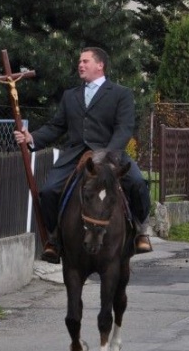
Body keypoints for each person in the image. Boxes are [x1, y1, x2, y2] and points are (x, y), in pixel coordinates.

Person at [14, 47, 152, 263]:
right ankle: (54, 239)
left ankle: (141, 230)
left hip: (110, 152)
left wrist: (108, 155)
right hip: (76, 155)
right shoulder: (71, 95)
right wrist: (32, 138)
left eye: (86, 61)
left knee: (137, 183)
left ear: (100, 65)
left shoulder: (120, 93)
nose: (80, 65)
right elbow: (56, 126)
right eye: (80, 61)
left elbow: (124, 128)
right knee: (49, 191)